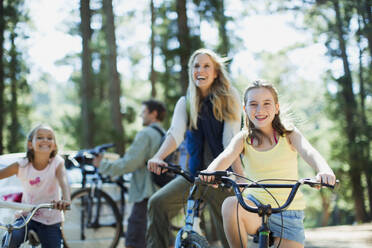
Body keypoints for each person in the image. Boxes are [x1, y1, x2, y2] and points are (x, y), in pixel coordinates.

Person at [200, 80, 337, 248]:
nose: (260, 110)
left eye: (266, 103)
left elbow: (309, 151)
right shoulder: (243, 139)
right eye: (253, 104)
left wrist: (324, 170)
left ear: (276, 107)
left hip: (288, 214)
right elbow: (227, 155)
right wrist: (211, 171)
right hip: (254, 208)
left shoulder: (289, 134)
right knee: (230, 205)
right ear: (245, 109)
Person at [146, 48, 244, 248]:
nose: (201, 70)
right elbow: (175, 134)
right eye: (196, 66)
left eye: (206, 66)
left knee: (230, 231)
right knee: (158, 203)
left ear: (216, 72)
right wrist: (158, 156)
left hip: (221, 178)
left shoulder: (230, 97)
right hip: (194, 176)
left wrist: (240, 177)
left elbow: (230, 140)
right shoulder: (186, 102)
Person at [93, 99, 166, 248]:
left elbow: (130, 163)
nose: (140, 115)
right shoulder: (166, 134)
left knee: (133, 241)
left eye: (144, 112)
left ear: (154, 114)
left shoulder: (146, 134)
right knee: (163, 240)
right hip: (163, 193)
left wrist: (103, 165)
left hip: (145, 194)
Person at [0, 124, 71, 248]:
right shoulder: (22, 165)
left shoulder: (57, 163)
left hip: (50, 219)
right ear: (29, 144)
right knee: (10, 239)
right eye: (39, 137)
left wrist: (66, 200)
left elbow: (64, 183)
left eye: (49, 138)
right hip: (27, 217)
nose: (45, 140)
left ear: (54, 145)